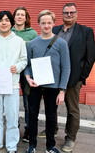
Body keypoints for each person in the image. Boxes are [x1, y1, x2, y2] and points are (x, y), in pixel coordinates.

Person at [24, 10, 70, 153]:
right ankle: (32, 145)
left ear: (54, 23)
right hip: (35, 85)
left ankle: (50, 146)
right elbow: (27, 65)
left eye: (49, 22)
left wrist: (62, 91)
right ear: (38, 24)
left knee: (51, 117)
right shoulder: (32, 44)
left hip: (53, 86)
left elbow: (66, 67)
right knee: (32, 116)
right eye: (43, 22)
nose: (46, 25)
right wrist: (27, 78)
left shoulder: (61, 43)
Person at [54, 3, 95, 152]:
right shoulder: (54, 30)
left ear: (77, 14)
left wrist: (81, 76)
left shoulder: (86, 31)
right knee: (51, 105)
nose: (69, 15)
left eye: (72, 12)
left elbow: (91, 56)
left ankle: (70, 138)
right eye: (66, 12)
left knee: (72, 109)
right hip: (54, 77)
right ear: (62, 14)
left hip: (73, 78)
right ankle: (52, 130)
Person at [0, 11, 27, 153]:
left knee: (12, 116)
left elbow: (23, 60)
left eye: (7, 20)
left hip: (12, 84)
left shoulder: (18, 41)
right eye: (1, 20)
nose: (4, 22)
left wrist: (18, 67)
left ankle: (12, 146)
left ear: (11, 23)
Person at [11, 6, 38, 143]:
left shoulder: (32, 33)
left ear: (26, 18)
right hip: (12, 71)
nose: (20, 17)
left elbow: (37, 52)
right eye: (17, 14)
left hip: (28, 72)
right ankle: (14, 126)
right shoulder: (9, 32)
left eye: (22, 15)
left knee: (28, 102)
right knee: (12, 101)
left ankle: (28, 128)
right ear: (14, 17)